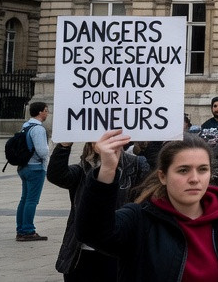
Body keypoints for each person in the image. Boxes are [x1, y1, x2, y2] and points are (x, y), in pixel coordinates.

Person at [77, 130, 218, 282]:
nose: (194, 179)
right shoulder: (140, 219)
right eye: (183, 170)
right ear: (162, 176)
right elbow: (93, 233)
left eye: (202, 169)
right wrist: (107, 170)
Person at [48, 138, 149, 280]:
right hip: (81, 252)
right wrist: (64, 145)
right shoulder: (84, 168)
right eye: (97, 139)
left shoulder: (136, 165)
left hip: (116, 250)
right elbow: (57, 175)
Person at [15, 100, 49, 241]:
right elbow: (42, 151)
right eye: (46, 110)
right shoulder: (39, 129)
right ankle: (28, 230)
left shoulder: (26, 126)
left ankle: (21, 229)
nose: (47, 113)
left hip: (23, 167)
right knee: (32, 200)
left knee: (24, 199)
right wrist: (49, 149)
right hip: (35, 168)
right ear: (40, 112)